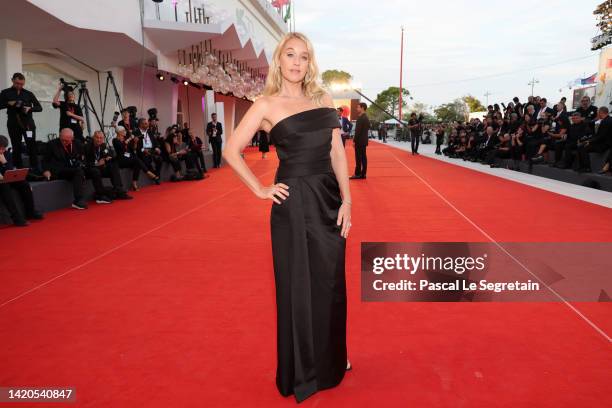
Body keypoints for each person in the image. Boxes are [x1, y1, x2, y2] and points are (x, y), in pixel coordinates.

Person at [221, 32, 353, 403]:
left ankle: (333, 357)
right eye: (290, 55)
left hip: (328, 202)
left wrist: (348, 201)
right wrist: (260, 189)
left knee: (330, 283)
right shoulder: (265, 104)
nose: (297, 62)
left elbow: (337, 154)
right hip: (292, 206)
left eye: (304, 57)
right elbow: (231, 150)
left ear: (311, 63)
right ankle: (304, 370)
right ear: (279, 60)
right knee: (298, 286)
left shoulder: (323, 99)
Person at [0, 72, 43, 172]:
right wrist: (8, 103)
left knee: (31, 146)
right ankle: (18, 169)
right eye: (17, 83)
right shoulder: (5, 92)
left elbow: (39, 108)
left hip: (28, 124)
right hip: (13, 123)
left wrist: (30, 108)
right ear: (12, 81)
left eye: (21, 84)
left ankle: (35, 168)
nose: (19, 86)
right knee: (16, 146)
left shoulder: (28, 93)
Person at [0, 135, 43, 226]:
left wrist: (4, 163)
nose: (2, 151)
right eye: (0, 148)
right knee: (4, 187)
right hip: (2, 182)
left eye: (3, 148)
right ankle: (16, 218)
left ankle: (30, 212)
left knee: (24, 184)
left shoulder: (6, 154)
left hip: (6, 178)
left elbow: (10, 170)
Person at [42, 128, 88, 209]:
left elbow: (83, 157)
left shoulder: (77, 143)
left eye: (67, 141)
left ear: (72, 138)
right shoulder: (51, 144)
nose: (64, 142)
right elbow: (45, 160)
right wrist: (46, 170)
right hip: (60, 170)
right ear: (60, 136)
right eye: (62, 140)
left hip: (74, 167)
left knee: (92, 170)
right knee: (78, 171)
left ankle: (101, 193)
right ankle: (78, 200)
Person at [83, 130, 132, 201]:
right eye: (97, 137)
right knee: (95, 171)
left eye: (101, 138)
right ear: (93, 137)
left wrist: (108, 158)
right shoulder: (86, 147)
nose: (99, 140)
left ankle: (119, 190)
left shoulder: (103, 145)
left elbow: (107, 155)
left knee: (113, 165)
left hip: (100, 168)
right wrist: (96, 164)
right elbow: (84, 163)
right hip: (90, 169)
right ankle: (100, 194)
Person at [112, 126, 159, 191]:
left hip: (129, 158)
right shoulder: (115, 140)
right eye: (123, 131)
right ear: (119, 132)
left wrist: (135, 142)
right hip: (121, 159)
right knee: (136, 160)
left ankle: (134, 183)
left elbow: (133, 149)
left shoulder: (126, 139)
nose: (125, 132)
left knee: (137, 163)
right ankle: (150, 174)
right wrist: (129, 139)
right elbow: (121, 147)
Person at [350, 102, 370, 179]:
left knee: (358, 158)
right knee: (363, 158)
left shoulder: (361, 118)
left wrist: (354, 141)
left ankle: (358, 174)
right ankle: (363, 174)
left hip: (359, 141)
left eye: (358, 107)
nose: (357, 109)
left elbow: (357, 131)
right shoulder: (366, 118)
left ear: (362, 108)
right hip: (364, 141)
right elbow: (367, 127)